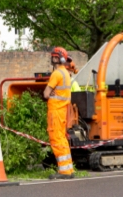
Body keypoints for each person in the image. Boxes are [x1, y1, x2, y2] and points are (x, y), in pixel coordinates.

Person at [43, 47, 74, 180]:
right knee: (62, 138)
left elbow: (45, 94)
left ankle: (64, 171)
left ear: (57, 58)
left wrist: (50, 93)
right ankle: (68, 168)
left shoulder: (56, 74)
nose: (52, 58)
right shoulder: (66, 73)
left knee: (56, 139)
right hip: (62, 111)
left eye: (53, 56)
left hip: (55, 111)